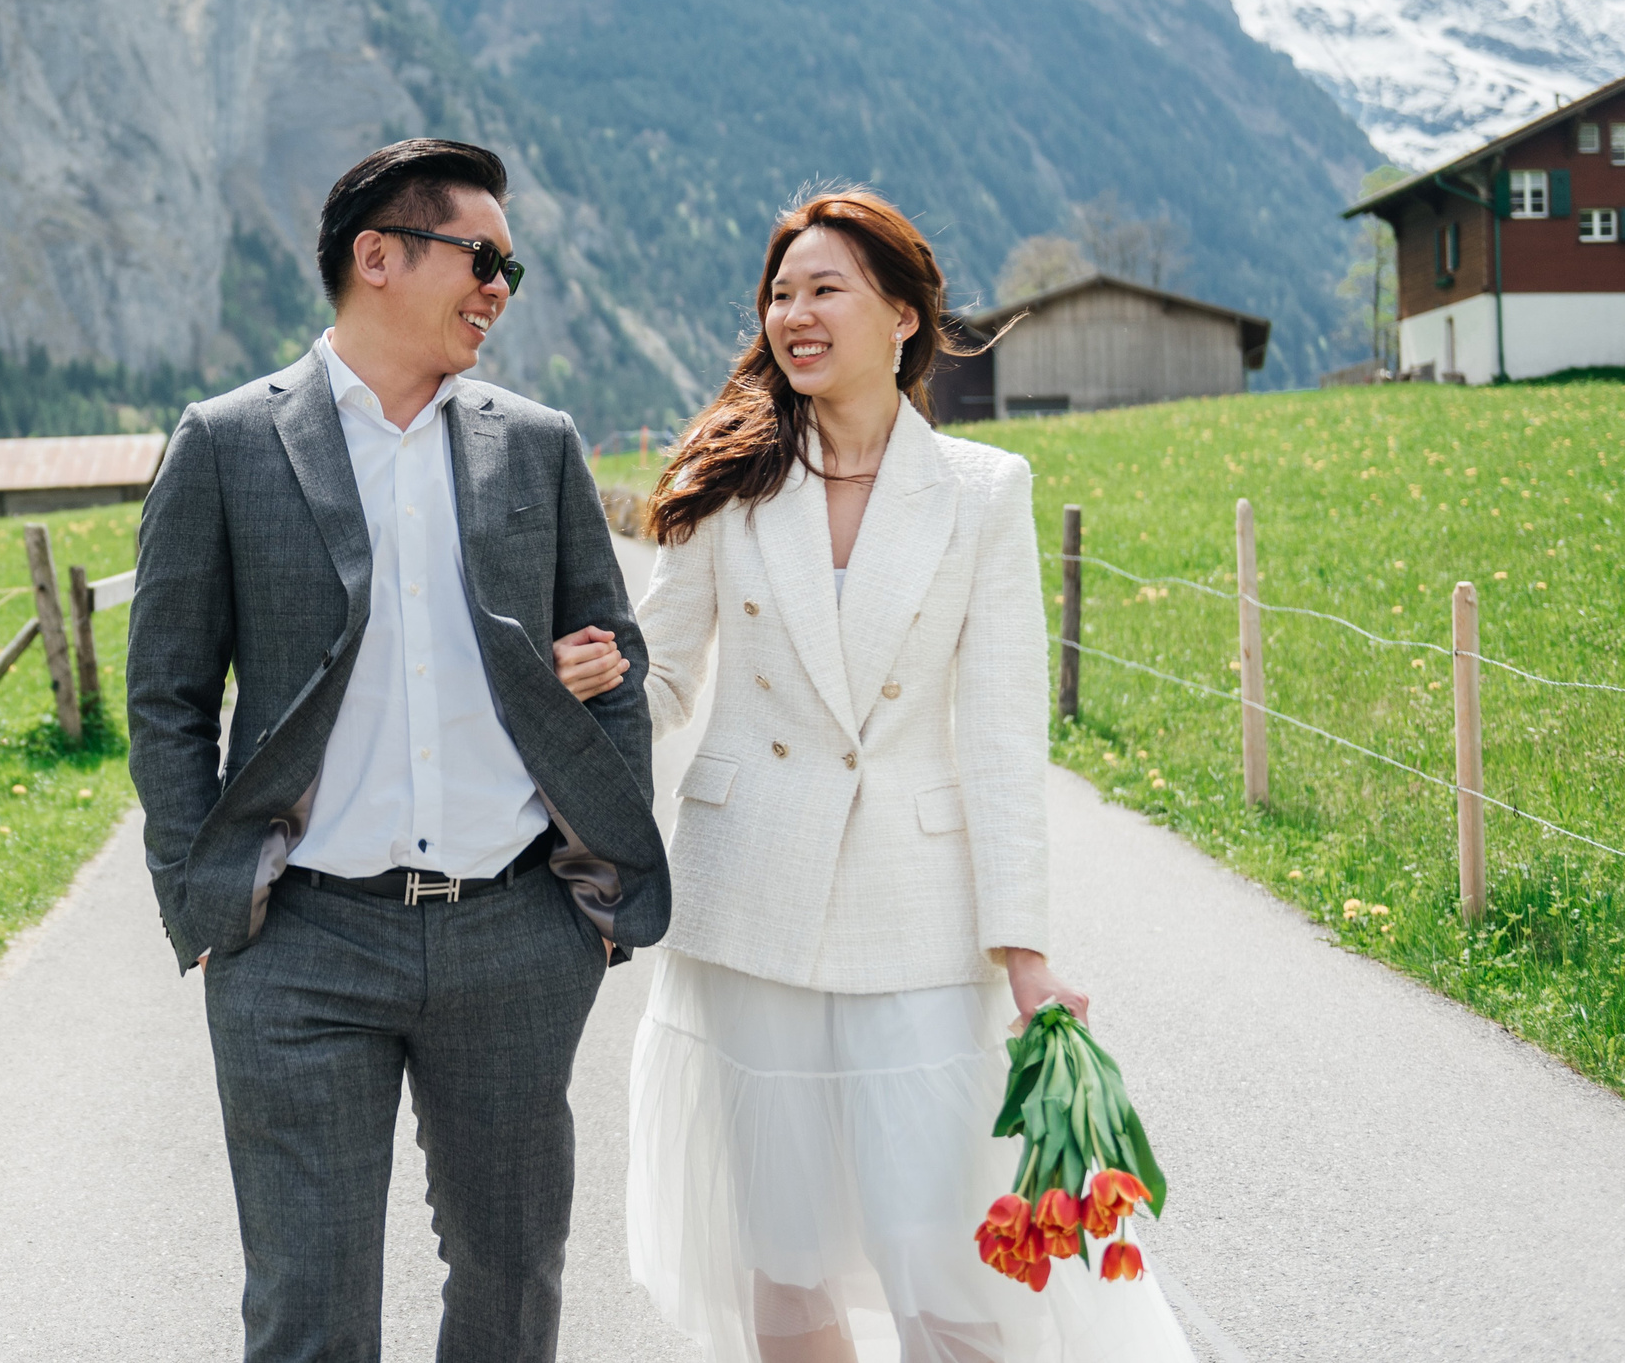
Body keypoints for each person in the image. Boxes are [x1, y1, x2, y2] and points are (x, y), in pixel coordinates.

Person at [622, 188, 1194, 1362]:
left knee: (943, 1259)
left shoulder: (984, 492)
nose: (794, 314)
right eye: (779, 293)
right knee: (779, 1258)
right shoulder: (726, 474)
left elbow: (996, 736)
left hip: (918, 922)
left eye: (824, 288)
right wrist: (583, 682)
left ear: (901, 314)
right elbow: (662, 679)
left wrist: (1024, 955)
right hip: (747, 914)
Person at [127, 138, 670, 1363]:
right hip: (300, 946)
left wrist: (589, 898)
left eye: (509, 267)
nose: (500, 288)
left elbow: (614, 664)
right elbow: (165, 698)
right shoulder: (224, 442)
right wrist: (201, 895)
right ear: (378, 257)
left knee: (511, 1278)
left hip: (518, 934)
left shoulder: (536, 441)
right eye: (483, 258)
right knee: (309, 1309)